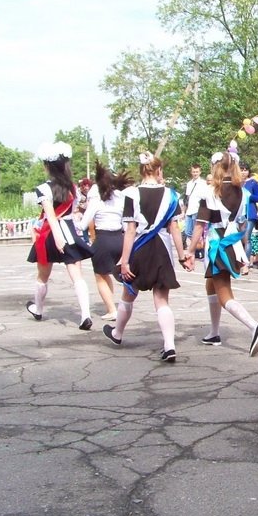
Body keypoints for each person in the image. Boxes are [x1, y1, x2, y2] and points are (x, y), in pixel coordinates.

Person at [102, 152, 193, 362]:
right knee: (161, 299)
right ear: (159, 170)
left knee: (128, 294)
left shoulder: (131, 194)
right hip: (162, 249)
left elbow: (131, 230)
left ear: (142, 170)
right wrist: (182, 255)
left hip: (139, 249)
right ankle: (169, 345)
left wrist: (124, 261)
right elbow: (174, 228)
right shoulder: (171, 195)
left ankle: (117, 334)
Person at [184, 151, 258, 353]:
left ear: (216, 167)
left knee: (224, 294)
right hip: (231, 241)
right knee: (211, 285)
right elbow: (242, 224)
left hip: (218, 243)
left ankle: (254, 326)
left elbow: (199, 225)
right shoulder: (241, 191)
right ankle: (214, 333)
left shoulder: (211, 191)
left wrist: (189, 251)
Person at [26, 142, 94, 330]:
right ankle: (85, 315)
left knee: (42, 276)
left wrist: (57, 238)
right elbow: (71, 213)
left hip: (50, 234)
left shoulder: (43, 188)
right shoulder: (73, 187)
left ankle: (38, 309)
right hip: (70, 231)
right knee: (77, 276)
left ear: (47, 166)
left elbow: (50, 215)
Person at [79, 162, 132, 321]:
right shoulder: (119, 200)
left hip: (103, 240)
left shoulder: (97, 201)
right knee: (110, 274)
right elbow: (126, 223)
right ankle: (113, 306)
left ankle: (111, 309)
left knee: (100, 276)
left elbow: (83, 224)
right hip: (119, 239)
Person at [238, 162, 258, 274]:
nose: (243, 172)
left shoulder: (253, 183)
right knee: (238, 239)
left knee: (246, 239)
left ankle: (246, 264)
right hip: (237, 215)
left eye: (245, 170)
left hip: (249, 214)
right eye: (241, 169)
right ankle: (238, 262)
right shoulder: (236, 182)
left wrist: (248, 195)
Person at [182, 163, 207, 249]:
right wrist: (183, 211)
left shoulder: (203, 183)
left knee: (196, 232)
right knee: (188, 232)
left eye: (197, 172)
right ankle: (198, 247)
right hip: (189, 210)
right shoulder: (189, 184)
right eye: (193, 172)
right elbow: (186, 198)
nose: (195, 173)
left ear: (200, 172)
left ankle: (197, 249)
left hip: (197, 210)